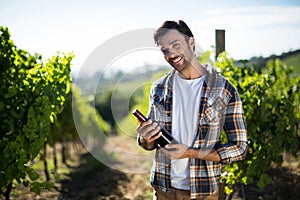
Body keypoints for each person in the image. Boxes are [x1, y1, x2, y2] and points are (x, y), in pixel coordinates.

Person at [136, 20, 248, 200]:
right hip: (164, 189)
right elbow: (148, 144)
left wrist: (190, 153)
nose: (171, 53)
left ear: (191, 42)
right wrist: (145, 138)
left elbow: (239, 148)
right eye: (165, 50)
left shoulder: (223, 89)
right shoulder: (159, 88)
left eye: (175, 45)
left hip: (203, 192)